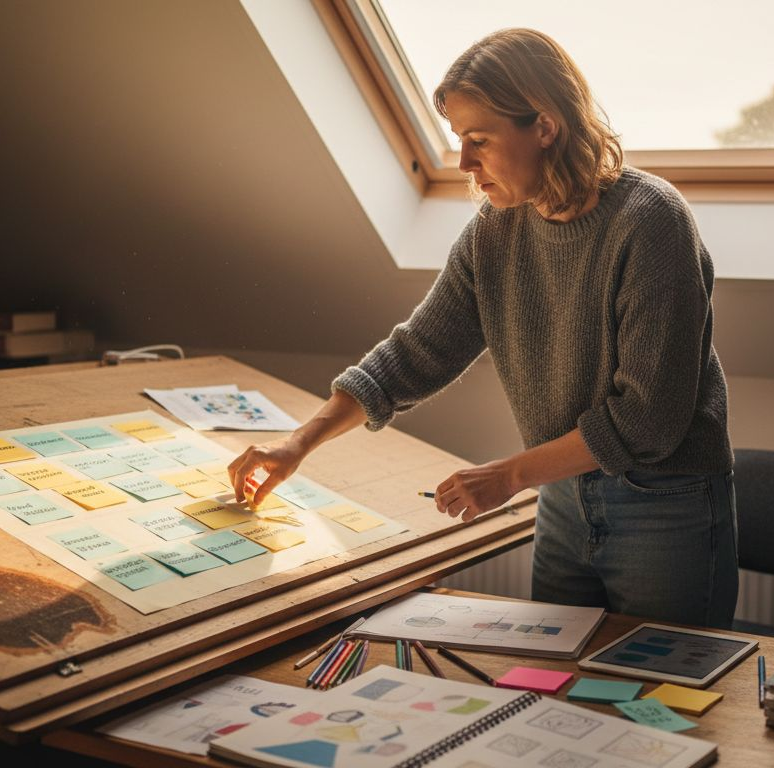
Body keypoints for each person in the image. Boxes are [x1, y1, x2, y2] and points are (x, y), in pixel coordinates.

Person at [230, 28, 737, 628]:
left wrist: (509, 475)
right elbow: (414, 354)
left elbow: (647, 420)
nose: (464, 163)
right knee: (554, 697)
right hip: (561, 497)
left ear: (544, 127)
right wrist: (299, 442)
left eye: (479, 141)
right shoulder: (494, 231)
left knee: (667, 701)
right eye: (457, 141)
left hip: (665, 506)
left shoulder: (651, 221)